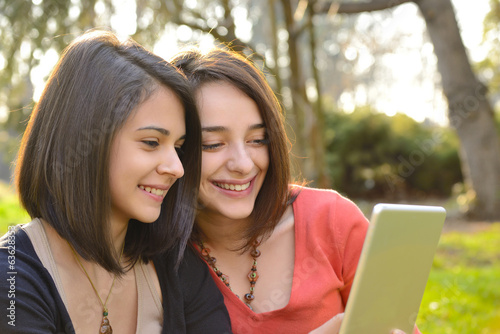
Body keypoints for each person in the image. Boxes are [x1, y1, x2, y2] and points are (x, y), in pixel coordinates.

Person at [172, 48, 418, 334]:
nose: (243, 163)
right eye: (213, 144)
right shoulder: (157, 255)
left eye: (258, 140)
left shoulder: (332, 221)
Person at [0, 30, 231, 333]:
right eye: (151, 142)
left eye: (178, 147)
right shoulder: (13, 279)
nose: (177, 168)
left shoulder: (178, 269)